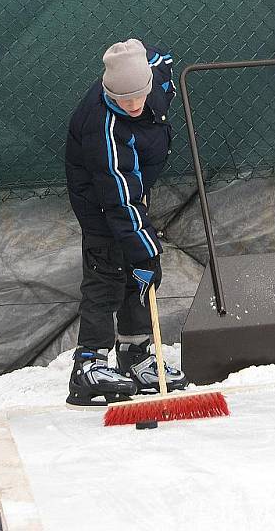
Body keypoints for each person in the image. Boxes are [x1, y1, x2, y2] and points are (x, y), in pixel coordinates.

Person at [64, 38, 187, 407]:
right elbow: (118, 200)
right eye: (123, 101)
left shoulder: (154, 81)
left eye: (139, 97)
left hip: (132, 191)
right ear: (108, 92)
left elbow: (162, 59)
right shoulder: (103, 127)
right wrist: (148, 252)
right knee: (108, 273)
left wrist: (143, 257)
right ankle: (89, 365)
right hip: (102, 200)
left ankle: (135, 355)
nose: (133, 106)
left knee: (138, 274)